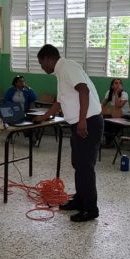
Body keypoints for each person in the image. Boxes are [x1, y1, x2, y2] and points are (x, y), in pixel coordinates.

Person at [35, 44, 102, 223]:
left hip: (88, 123)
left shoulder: (68, 67)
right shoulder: (60, 73)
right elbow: (60, 102)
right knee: (78, 165)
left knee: (85, 168)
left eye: (41, 63)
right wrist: (44, 117)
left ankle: (90, 209)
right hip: (80, 124)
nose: (42, 67)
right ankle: (81, 200)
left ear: (48, 59)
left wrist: (81, 120)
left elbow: (83, 90)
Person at [101, 78, 130, 147]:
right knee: (105, 120)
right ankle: (108, 141)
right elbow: (103, 104)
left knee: (114, 122)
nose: (118, 85)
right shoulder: (109, 92)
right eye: (116, 83)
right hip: (115, 114)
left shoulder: (124, 94)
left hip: (125, 114)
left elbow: (118, 106)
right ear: (112, 86)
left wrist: (116, 94)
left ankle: (110, 141)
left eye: (120, 83)